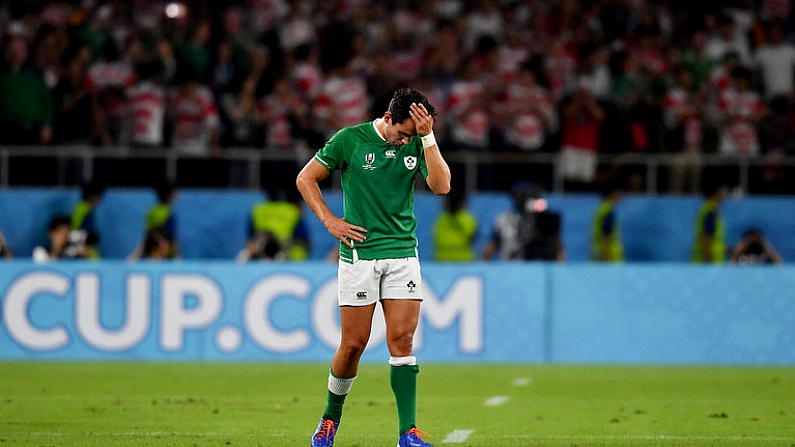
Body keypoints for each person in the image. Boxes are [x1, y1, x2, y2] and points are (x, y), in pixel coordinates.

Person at [296, 88, 450, 447]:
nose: (405, 140)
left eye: (413, 134)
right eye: (403, 133)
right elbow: (306, 178)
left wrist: (427, 136)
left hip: (401, 255)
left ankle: (407, 433)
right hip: (360, 256)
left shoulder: (418, 141)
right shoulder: (350, 140)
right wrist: (329, 221)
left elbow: (441, 186)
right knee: (353, 345)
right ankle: (329, 420)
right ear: (387, 117)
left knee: (402, 340)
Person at [482, 182, 565, 262]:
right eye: (522, 196)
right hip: (510, 267)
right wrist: (484, 267)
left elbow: (557, 247)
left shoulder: (543, 219)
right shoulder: (504, 220)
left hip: (538, 267)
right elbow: (492, 246)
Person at [236, 187, 310, 262]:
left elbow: (250, 237)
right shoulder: (292, 211)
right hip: (266, 251)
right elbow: (304, 239)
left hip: (283, 251)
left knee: (243, 257)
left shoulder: (258, 210)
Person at [129, 182, 179, 261]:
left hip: (151, 247)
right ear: (170, 196)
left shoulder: (152, 211)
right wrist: (175, 255)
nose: (176, 197)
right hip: (162, 249)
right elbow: (170, 236)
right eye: (174, 195)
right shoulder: (168, 213)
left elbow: (148, 231)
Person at [433, 191, 478, 262]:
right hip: (463, 260)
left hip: (443, 260)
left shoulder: (440, 220)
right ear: (462, 203)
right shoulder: (469, 219)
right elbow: (473, 238)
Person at [691, 181, 728, 264]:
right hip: (708, 262)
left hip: (712, 260)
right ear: (717, 192)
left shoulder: (709, 208)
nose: (725, 193)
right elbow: (705, 237)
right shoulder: (710, 211)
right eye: (723, 190)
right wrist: (709, 260)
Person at [591, 180, 624, 262]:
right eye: (620, 193)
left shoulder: (601, 209)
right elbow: (604, 237)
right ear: (614, 193)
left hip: (598, 255)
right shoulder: (607, 212)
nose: (621, 197)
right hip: (608, 258)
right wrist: (607, 259)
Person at [71, 182, 105, 259]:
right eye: (99, 197)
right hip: (83, 248)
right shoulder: (84, 209)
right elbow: (82, 231)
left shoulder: (81, 208)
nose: (100, 200)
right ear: (93, 196)